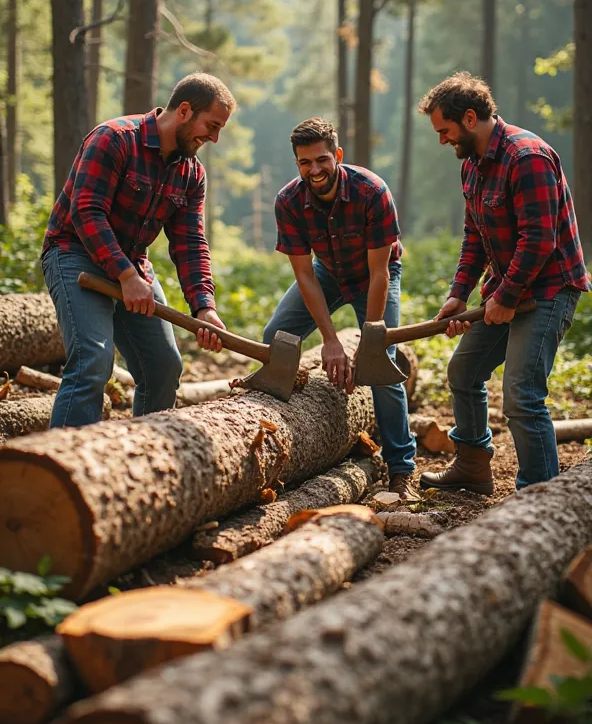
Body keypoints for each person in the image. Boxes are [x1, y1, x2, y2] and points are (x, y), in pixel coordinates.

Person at [417, 72, 590, 493]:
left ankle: (540, 496)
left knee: (521, 395)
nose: (442, 140)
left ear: (470, 118)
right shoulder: (472, 168)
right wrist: (459, 295)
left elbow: (539, 239)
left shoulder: (526, 156)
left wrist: (507, 295)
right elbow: (474, 237)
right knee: (463, 370)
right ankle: (473, 468)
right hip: (510, 290)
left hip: (549, 290)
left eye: (445, 130)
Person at [41, 72, 235, 427]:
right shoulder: (114, 139)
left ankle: (140, 460)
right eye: (212, 125)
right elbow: (86, 211)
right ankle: (59, 470)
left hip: (131, 265)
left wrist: (204, 307)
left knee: (164, 367)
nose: (215, 138)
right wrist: (127, 275)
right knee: (92, 363)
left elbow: (191, 243)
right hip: (73, 254)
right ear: (185, 110)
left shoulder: (192, 174)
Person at [261, 117, 417, 499]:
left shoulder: (372, 191)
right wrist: (330, 340)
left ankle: (401, 469)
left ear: (338, 156)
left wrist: (370, 341)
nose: (314, 170)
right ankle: (293, 434)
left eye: (322, 160)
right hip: (326, 273)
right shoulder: (289, 201)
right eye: (305, 163)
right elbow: (304, 275)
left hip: (373, 275)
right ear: (297, 163)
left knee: (382, 365)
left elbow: (380, 273)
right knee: (275, 339)